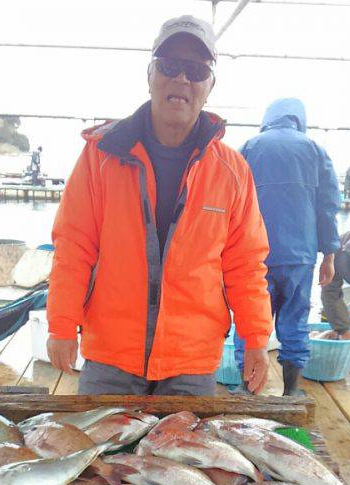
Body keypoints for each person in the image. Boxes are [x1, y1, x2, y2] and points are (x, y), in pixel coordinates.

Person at [47, 15, 272, 396]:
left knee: (187, 458)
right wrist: (62, 324)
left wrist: (255, 337)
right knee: (101, 456)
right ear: (150, 74)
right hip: (110, 358)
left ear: (210, 85)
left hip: (191, 362)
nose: (182, 79)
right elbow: (74, 246)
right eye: (169, 65)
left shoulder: (232, 171)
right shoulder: (100, 155)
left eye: (196, 70)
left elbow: (245, 263)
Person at [234, 98, 341, 396]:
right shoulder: (314, 150)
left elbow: (229, 202)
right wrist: (329, 255)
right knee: (295, 320)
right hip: (300, 257)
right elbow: (328, 206)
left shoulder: (249, 148)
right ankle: (291, 391)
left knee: (250, 322)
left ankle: (247, 390)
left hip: (254, 257)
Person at [321, 223, 350, 340]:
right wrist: (343, 330)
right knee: (334, 306)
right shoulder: (336, 253)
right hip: (342, 262)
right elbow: (330, 292)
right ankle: (333, 332)